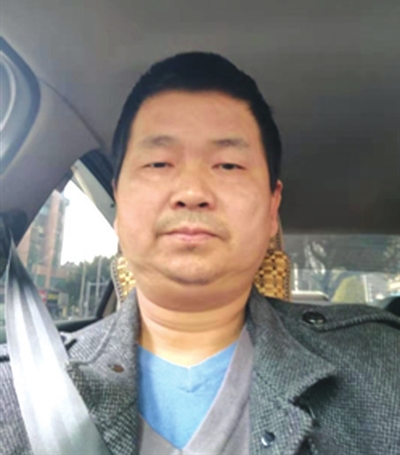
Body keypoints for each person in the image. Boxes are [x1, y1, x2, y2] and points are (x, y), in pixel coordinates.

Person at [1, 52, 400, 455]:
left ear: (271, 209)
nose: (192, 193)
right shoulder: (19, 388)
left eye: (228, 165)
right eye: (159, 163)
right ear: (118, 202)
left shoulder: (384, 368)